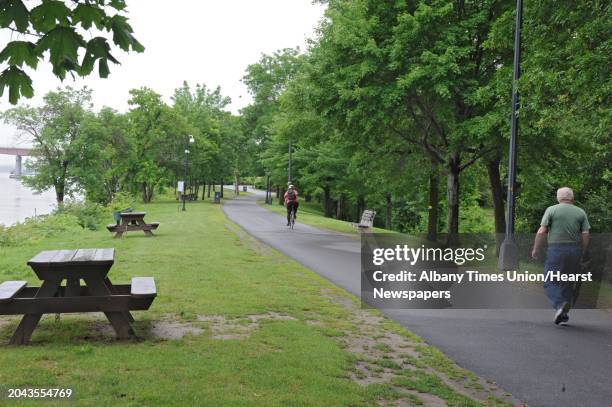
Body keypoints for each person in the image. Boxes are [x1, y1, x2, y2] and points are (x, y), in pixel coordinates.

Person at [531, 187, 590, 325]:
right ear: (572, 198)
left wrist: (536, 249)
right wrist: (584, 251)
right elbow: (586, 234)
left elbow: (541, 232)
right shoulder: (580, 212)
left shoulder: (552, 210)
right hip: (574, 250)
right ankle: (563, 316)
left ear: (558, 198)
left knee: (549, 280)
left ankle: (559, 305)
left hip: (556, 250)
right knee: (567, 282)